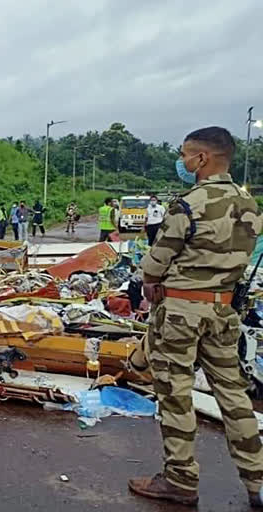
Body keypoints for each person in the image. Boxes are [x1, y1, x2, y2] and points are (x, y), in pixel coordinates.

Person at [130, 127, 263, 507]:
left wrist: (152, 282)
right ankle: (257, 481)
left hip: (181, 313)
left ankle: (180, 479)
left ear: (201, 158)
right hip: (224, 311)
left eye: (185, 154)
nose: (182, 161)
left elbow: (156, 262)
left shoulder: (190, 203)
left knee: (175, 393)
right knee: (234, 395)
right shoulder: (248, 204)